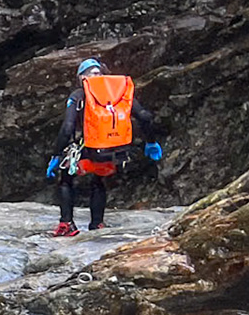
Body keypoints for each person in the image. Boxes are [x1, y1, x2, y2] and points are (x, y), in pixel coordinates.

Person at [47, 58, 163, 236]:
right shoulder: (118, 92)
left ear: (82, 78)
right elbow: (144, 117)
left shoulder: (78, 95)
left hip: (87, 148)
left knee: (65, 179)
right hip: (112, 150)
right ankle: (97, 224)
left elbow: (67, 128)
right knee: (98, 180)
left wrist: (56, 155)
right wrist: (151, 142)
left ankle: (66, 224)